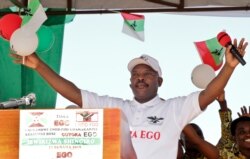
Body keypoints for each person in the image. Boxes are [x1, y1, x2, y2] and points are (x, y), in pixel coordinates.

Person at [10, 38, 248, 159]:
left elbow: (207, 95)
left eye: (147, 74)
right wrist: (39, 65)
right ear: (130, 82)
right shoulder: (115, 107)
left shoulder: (175, 109)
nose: (140, 78)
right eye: (135, 74)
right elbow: (73, 93)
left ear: (160, 81)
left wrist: (228, 68)